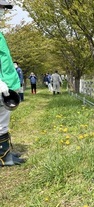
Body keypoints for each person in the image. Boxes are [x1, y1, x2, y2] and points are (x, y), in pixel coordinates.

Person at [0, 0, 25, 166]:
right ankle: (4, 157)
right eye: (1, 8)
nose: (3, 11)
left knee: (3, 121)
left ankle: (5, 154)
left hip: (6, 85)